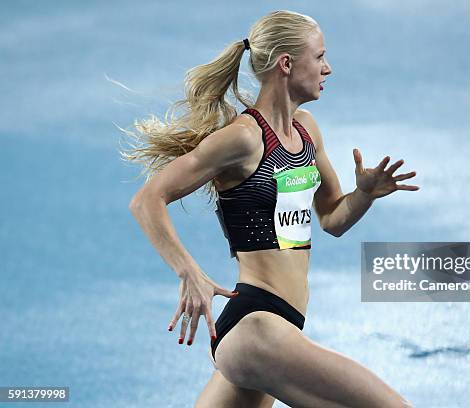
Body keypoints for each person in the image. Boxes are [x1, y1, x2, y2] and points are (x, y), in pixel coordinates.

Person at [124, 9, 418, 408]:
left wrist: (363, 194)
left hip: (280, 328)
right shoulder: (243, 140)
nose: (327, 68)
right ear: (286, 63)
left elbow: (332, 217)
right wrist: (188, 270)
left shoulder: (307, 131)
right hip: (256, 326)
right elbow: (147, 200)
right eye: (319, 57)